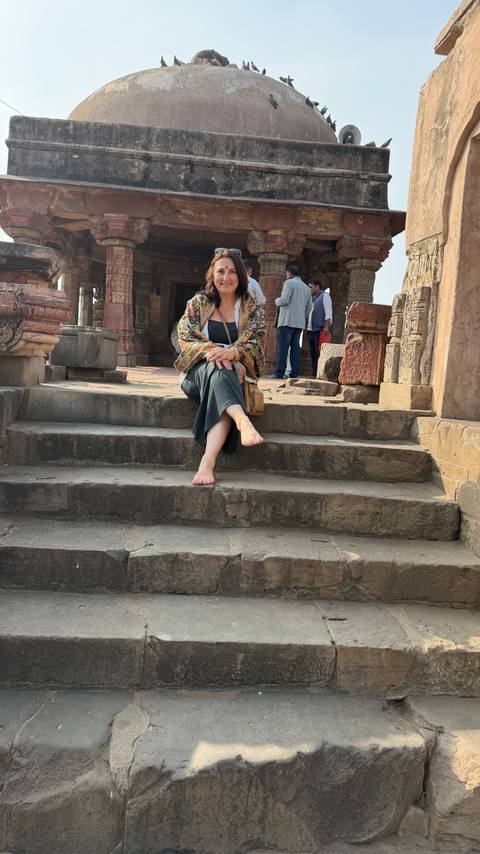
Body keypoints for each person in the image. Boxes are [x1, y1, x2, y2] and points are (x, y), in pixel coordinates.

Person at [175, 249, 266, 486]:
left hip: (232, 371)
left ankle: (207, 461)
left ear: (241, 276)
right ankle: (242, 420)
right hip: (197, 372)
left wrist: (234, 352)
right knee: (221, 369)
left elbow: (257, 341)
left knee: (223, 375)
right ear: (212, 275)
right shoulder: (198, 304)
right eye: (221, 271)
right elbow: (184, 337)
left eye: (232, 271)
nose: (226, 277)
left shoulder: (251, 308)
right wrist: (211, 352)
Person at [274, 265, 312, 379]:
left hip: (287, 321)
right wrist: (301, 316)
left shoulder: (289, 283)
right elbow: (310, 306)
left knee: (283, 348)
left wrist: (276, 301)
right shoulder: (306, 287)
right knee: (295, 348)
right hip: (299, 323)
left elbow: (284, 300)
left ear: (289, 274)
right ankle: (294, 373)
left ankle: (280, 373)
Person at [307, 279, 333, 377]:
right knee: (313, 353)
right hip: (310, 330)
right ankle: (314, 373)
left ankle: (320, 373)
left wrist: (326, 328)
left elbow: (328, 313)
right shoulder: (312, 298)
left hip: (320, 330)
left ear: (317, 286)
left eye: (311, 287)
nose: (310, 289)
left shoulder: (325, 296)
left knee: (319, 353)